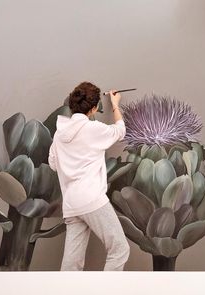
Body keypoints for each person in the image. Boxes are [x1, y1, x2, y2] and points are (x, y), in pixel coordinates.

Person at [48, 81, 130, 271]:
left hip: (71, 203)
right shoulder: (93, 129)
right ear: (93, 109)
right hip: (91, 199)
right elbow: (120, 131)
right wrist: (115, 104)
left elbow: (53, 163)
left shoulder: (60, 134)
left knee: (72, 263)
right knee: (119, 249)